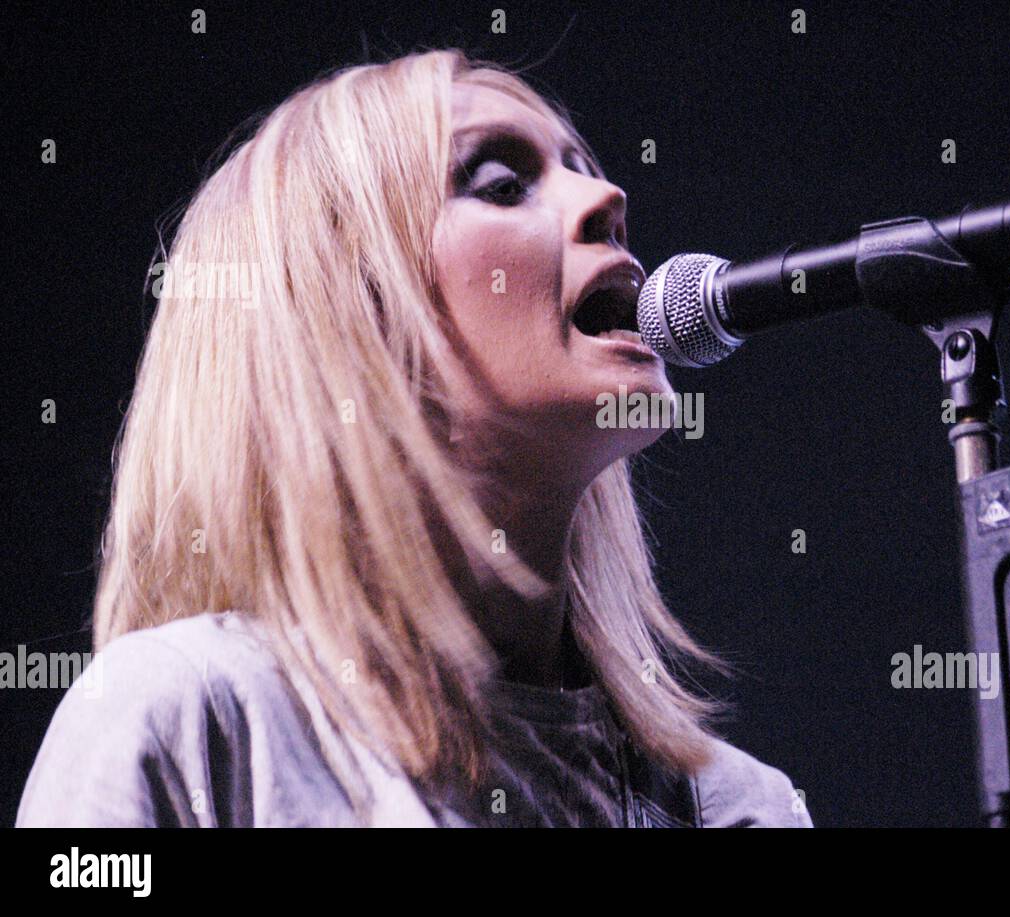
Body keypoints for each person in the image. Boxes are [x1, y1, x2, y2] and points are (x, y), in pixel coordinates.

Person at [17, 48, 812, 828]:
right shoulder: (187, 720)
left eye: (580, 164)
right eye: (502, 184)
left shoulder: (734, 807)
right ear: (349, 313)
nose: (608, 195)